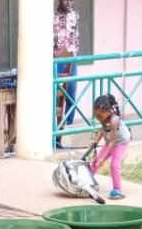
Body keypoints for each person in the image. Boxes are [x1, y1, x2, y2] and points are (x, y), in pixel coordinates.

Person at [89, 93, 130, 200]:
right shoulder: (103, 119)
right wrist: (96, 141)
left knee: (114, 165)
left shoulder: (114, 120)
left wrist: (103, 159)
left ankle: (117, 190)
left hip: (120, 142)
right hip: (110, 142)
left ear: (108, 112)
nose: (98, 118)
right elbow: (102, 130)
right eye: (96, 115)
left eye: (100, 116)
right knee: (95, 162)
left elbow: (112, 142)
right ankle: (87, 184)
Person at [54, 0, 80, 147]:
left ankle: (65, 134)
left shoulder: (75, 15)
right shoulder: (52, 17)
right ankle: (54, 135)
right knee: (55, 100)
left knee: (71, 98)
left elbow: (74, 40)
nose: (68, 1)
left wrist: (72, 55)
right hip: (56, 63)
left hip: (71, 62)